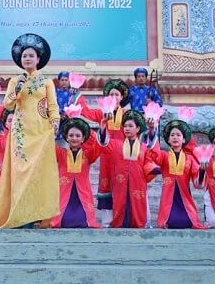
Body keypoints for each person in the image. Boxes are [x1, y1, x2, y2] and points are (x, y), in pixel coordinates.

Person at [0, 33, 60, 229]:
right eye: (24, 56)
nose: (27, 58)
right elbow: (7, 104)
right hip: (21, 132)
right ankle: (18, 215)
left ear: (38, 59)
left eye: (31, 56)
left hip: (41, 131)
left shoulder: (46, 82)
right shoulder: (14, 81)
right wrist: (18, 88)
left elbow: (53, 105)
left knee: (38, 173)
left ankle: (35, 215)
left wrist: (55, 122)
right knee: (20, 172)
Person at [80, 78, 130, 225]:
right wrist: (77, 95)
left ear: (122, 97)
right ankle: (107, 219)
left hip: (123, 155)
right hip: (106, 155)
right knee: (105, 183)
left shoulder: (128, 114)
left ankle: (123, 217)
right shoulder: (102, 113)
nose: (114, 97)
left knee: (122, 183)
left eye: (117, 95)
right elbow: (86, 113)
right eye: (111, 95)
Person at [97, 110, 157, 228]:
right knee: (120, 204)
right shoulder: (115, 144)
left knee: (137, 204)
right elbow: (104, 143)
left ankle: (139, 222)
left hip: (138, 182)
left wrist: (152, 129)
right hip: (120, 182)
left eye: (130, 126)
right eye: (125, 126)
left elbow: (151, 158)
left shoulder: (143, 147)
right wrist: (103, 124)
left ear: (138, 129)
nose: (127, 129)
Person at [148, 119, 208, 229]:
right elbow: (154, 154)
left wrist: (202, 171)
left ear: (183, 139)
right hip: (168, 195)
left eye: (178, 135)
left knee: (187, 221)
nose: (175, 137)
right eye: (172, 135)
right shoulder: (164, 156)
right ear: (168, 140)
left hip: (184, 195)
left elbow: (198, 182)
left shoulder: (189, 158)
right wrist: (152, 130)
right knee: (169, 221)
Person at [51, 117, 103, 228]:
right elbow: (49, 146)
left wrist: (102, 127)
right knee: (63, 220)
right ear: (66, 137)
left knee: (83, 220)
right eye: (71, 135)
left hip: (82, 195)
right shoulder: (61, 153)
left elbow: (99, 146)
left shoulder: (88, 155)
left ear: (83, 138)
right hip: (65, 195)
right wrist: (52, 131)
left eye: (78, 136)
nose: (74, 138)